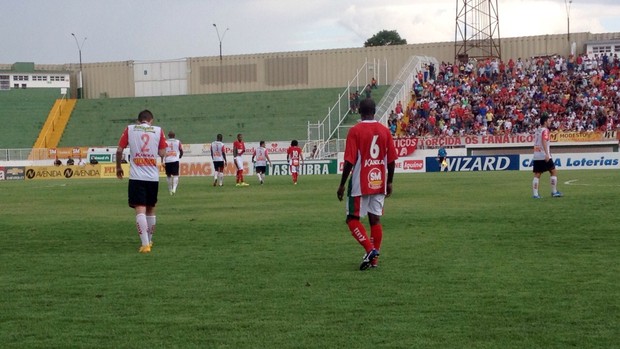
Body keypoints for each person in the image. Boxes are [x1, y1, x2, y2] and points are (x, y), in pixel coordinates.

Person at [337, 98, 398, 270]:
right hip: (379, 180)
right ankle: (374, 261)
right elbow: (391, 160)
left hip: (359, 182)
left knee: (352, 219)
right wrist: (390, 182)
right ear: (375, 111)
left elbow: (349, 160)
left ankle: (370, 250)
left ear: (358, 111)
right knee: (375, 219)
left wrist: (342, 184)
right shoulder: (385, 131)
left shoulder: (355, 131)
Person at [116, 109, 167, 254]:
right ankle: (149, 240)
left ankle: (145, 245)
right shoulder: (158, 130)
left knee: (140, 208)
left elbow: (119, 151)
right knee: (151, 208)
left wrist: (118, 167)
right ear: (151, 120)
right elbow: (163, 153)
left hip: (137, 176)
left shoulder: (130, 129)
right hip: (152, 177)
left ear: (139, 120)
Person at [532, 114, 563, 199]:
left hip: (536, 154)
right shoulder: (545, 130)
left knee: (537, 174)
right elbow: (544, 141)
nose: (550, 122)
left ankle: (535, 194)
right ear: (545, 122)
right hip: (544, 155)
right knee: (553, 171)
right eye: (549, 121)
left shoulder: (537, 130)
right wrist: (547, 154)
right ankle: (554, 192)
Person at [164, 131, 183, 195]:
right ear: (174, 136)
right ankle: (174, 189)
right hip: (175, 160)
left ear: (168, 136)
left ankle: (170, 190)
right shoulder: (178, 142)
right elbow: (181, 150)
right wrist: (180, 156)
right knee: (176, 175)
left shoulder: (165, 142)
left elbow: (163, 150)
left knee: (168, 175)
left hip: (168, 160)